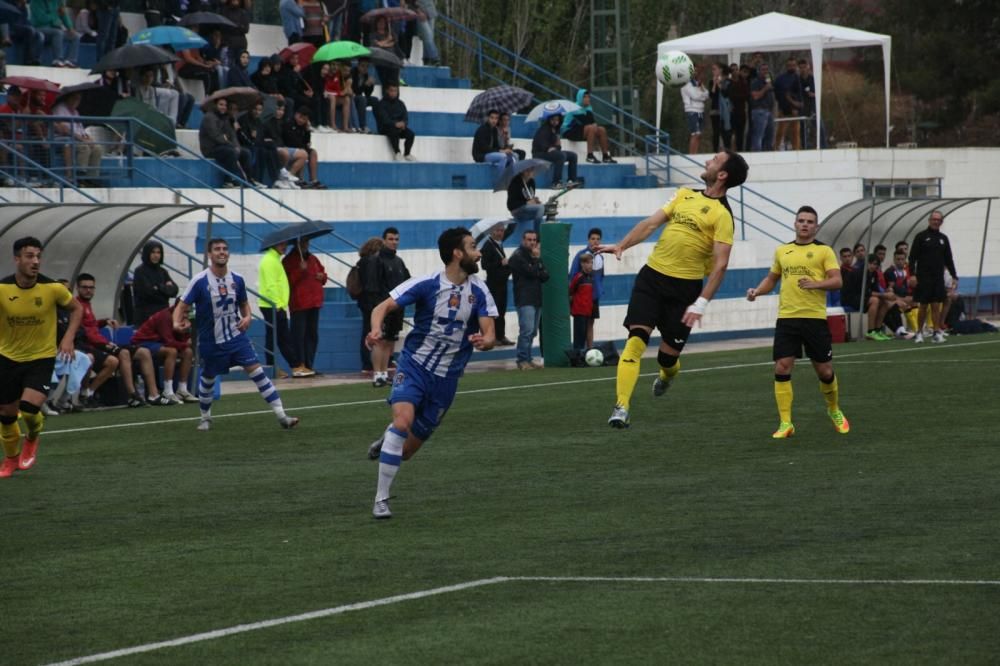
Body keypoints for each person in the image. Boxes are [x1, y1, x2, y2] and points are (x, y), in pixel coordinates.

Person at [597, 150, 749, 429]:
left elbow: (720, 266)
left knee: (667, 359)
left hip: (685, 290)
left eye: (714, 160)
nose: (707, 162)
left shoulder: (723, 216)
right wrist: (622, 245)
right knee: (635, 341)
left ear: (723, 175)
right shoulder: (683, 194)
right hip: (651, 278)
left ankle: (668, 375)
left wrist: (701, 303)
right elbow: (650, 224)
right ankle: (621, 407)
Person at [364, 227, 497, 519]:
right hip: (414, 366)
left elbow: (490, 335)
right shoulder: (426, 283)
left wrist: (484, 342)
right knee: (402, 421)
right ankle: (381, 499)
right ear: (457, 253)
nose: (479, 252)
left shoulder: (479, 290)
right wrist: (375, 329)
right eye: (473, 246)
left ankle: (387, 440)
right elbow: (382, 306)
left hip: (446, 381)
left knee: (407, 451)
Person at [174, 238, 300, 432]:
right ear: (209, 254)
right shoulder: (199, 281)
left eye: (225, 249)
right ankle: (205, 418)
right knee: (208, 379)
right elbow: (182, 305)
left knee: (258, 373)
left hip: (236, 337)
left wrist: (248, 317)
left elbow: (243, 304)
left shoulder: (237, 279)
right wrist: (176, 322)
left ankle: (282, 416)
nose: (221, 252)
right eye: (217, 249)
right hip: (211, 341)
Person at [746, 205, 849, 438]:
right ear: (795, 224)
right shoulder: (783, 251)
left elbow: (837, 281)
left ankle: (834, 409)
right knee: (782, 366)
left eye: (809, 221)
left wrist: (816, 284)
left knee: (824, 371)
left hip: (814, 319)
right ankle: (786, 423)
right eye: (801, 220)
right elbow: (772, 279)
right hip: (787, 318)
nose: (804, 224)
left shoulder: (824, 252)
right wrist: (757, 292)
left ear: (816, 226)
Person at [0, 237, 82, 478]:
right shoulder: (3, 289)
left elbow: (77, 309)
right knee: (5, 414)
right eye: (29, 256)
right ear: (17, 259)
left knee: (27, 409)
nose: (35, 261)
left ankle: (33, 437)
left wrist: (67, 339)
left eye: (38, 256)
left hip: (41, 357)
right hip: (7, 357)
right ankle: (10, 459)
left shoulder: (53, 288)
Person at [75, 272, 163, 407]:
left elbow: (90, 326)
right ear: (78, 288)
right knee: (123, 354)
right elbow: (85, 333)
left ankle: (153, 394)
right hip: (92, 346)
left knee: (144, 352)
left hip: (99, 344)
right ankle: (132, 395)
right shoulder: (77, 306)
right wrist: (107, 345)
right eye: (85, 287)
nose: (88, 290)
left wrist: (104, 322)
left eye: (91, 287)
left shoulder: (87, 305)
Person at [367, 227, 410, 387]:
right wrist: (380, 308)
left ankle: (384, 373)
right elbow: (372, 287)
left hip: (398, 308)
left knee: (390, 341)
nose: (394, 242)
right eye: (391, 239)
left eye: (396, 239)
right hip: (383, 308)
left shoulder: (399, 261)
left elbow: (407, 282)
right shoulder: (376, 260)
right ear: (384, 240)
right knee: (380, 341)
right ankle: (377, 375)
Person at [130, 299, 197, 404]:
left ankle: (182, 390)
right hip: (144, 342)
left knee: (188, 352)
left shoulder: (182, 319)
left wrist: (185, 332)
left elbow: (184, 341)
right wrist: (184, 338)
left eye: (188, 312)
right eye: (183, 311)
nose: (185, 315)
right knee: (172, 351)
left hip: (159, 342)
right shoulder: (165, 316)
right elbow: (169, 341)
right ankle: (168, 391)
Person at [909, 210, 958, 344]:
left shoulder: (944, 238)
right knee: (923, 305)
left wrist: (954, 275)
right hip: (923, 276)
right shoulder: (920, 236)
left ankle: (936, 332)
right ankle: (919, 332)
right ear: (929, 220)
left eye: (938, 220)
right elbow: (912, 257)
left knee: (936, 305)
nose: (936, 221)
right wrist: (912, 274)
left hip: (938, 277)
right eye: (934, 219)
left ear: (941, 222)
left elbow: (949, 259)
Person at [258, 239, 301, 378]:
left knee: (278, 337)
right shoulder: (270, 260)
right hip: (273, 305)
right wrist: (277, 304)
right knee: (281, 337)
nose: (284, 247)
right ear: (273, 244)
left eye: (285, 244)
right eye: (280, 244)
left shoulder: (274, 259)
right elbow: (271, 285)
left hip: (274, 305)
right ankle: (294, 366)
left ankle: (281, 368)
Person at [283, 237, 326, 376]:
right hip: (299, 303)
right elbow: (288, 281)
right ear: (296, 244)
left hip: (314, 302)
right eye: (303, 242)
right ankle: (299, 365)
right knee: (298, 336)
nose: (306, 245)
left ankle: (309, 365)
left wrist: (322, 276)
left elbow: (323, 275)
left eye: (307, 242)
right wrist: (300, 270)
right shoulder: (288, 260)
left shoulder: (313, 258)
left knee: (312, 335)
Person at [509, 229, 548, 370]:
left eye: (534, 240)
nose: (532, 242)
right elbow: (531, 272)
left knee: (532, 331)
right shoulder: (517, 256)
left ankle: (528, 358)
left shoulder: (534, 256)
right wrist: (537, 262)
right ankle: (522, 360)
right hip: (525, 298)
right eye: (529, 240)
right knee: (526, 330)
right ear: (523, 240)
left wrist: (537, 264)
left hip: (536, 298)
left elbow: (545, 276)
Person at [51, 91, 104, 186]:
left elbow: (81, 130)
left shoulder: (75, 112)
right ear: (68, 98)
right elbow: (65, 130)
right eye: (74, 98)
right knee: (84, 147)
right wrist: (83, 139)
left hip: (78, 139)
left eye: (79, 99)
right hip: (64, 139)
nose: (76, 101)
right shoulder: (60, 109)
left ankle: (91, 179)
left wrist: (89, 139)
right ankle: (79, 177)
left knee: (97, 148)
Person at [199, 97, 252, 188]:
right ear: (215, 105)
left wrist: (237, 146)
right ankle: (229, 180)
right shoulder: (209, 117)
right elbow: (216, 136)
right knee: (231, 152)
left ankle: (248, 179)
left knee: (246, 153)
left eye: (225, 105)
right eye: (221, 104)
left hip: (224, 146)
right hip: (211, 148)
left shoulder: (226, 118)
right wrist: (232, 146)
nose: (223, 107)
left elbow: (232, 136)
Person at [842, 254, 894, 341]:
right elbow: (865, 292)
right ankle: (870, 332)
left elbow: (875, 289)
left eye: (875, 264)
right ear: (866, 263)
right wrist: (884, 295)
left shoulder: (874, 274)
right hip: (851, 298)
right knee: (875, 300)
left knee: (885, 302)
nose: (873, 266)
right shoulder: (859, 273)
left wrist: (886, 293)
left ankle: (877, 330)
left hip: (862, 297)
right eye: (871, 264)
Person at [569, 227, 604, 349]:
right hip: (583, 298)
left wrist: (599, 290)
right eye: (593, 238)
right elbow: (573, 274)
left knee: (591, 323)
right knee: (581, 324)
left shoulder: (600, 256)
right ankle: (580, 350)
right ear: (588, 240)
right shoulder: (581, 255)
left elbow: (601, 276)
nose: (595, 241)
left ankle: (590, 349)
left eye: (598, 239)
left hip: (594, 296)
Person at [561, 89, 617, 164]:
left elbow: (592, 121)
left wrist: (594, 126)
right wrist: (593, 125)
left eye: (588, 97)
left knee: (601, 129)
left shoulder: (589, 108)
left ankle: (605, 156)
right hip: (569, 130)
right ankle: (590, 156)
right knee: (591, 128)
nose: (588, 99)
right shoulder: (574, 108)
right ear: (580, 98)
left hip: (580, 129)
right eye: (585, 97)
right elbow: (585, 122)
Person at [480, 222, 514, 346]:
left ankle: (500, 335)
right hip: (494, 284)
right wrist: (501, 263)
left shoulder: (498, 245)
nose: (500, 233)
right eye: (497, 230)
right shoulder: (488, 246)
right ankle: (492, 336)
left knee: (501, 310)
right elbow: (485, 266)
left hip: (502, 283)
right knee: (494, 311)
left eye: (501, 230)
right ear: (491, 232)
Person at [132, 240, 179, 326]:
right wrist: (166, 289)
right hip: (145, 317)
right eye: (153, 252)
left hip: (163, 315)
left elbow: (175, 290)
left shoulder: (163, 272)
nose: (156, 255)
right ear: (147, 253)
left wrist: (158, 287)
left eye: (158, 252)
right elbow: (148, 293)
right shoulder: (140, 271)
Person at [355, 236, 383, 374]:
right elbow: (372, 284)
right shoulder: (372, 261)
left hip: (364, 301)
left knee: (366, 331)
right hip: (371, 302)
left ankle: (367, 363)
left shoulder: (361, 261)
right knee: (372, 332)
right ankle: (369, 363)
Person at [282, 105, 325, 189]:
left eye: (304, 119)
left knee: (313, 152)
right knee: (303, 152)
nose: (301, 120)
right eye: (300, 117)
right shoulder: (288, 124)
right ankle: (293, 177)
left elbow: (307, 142)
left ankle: (313, 180)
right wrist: (304, 146)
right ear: (296, 114)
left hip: (300, 147)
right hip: (288, 147)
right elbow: (291, 140)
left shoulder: (303, 127)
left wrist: (307, 130)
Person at [531, 112, 577, 188]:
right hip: (539, 153)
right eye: (553, 119)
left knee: (573, 156)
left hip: (551, 152)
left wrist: (557, 145)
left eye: (557, 120)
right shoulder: (544, 129)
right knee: (560, 156)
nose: (555, 121)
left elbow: (558, 147)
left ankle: (571, 180)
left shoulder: (557, 130)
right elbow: (540, 144)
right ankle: (556, 182)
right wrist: (549, 148)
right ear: (549, 119)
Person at [31, 0, 81, 67]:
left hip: (54, 29)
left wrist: (70, 28)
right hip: (39, 28)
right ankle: (57, 59)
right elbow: (41, 19)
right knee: (58, 32)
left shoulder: (57, 2)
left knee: (76, 36)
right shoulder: (35, 2)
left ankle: (70, 61)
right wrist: (56, 16)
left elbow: (64, 16)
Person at [472, 109, 515, 182]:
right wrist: (501, 151)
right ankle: (502, 180)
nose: (494, 120)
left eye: (496, 118)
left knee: (512, 157)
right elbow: (484, 148)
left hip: (491, 154)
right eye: (492, 118)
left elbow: (497, 146)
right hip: (481, 156)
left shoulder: (494, 130)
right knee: (503, 157)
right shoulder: (482, 130)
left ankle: (512, 180)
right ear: (488, 118)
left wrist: (505, 141)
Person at [375, 83, 415, 161]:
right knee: (394, 131)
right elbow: (384, 119)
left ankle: (407, 154)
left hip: (399, 127)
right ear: (387, 91)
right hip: (386, 128)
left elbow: (405, 116)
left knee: (411, 134)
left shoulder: (400, 103)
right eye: (391, 91)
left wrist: (404, 123)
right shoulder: (381, 104)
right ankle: (397, 152)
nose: (393, 93)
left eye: (395, 91)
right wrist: (395, 124)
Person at [773, 58, 803, 151]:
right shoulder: (780, 79)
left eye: (793, 65)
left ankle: (796, 150)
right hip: (783, 109)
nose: (792, 67)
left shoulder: (799, 78)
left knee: (796, 132)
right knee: (780, 132)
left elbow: (800, 94)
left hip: (795, 110)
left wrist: (796, 107)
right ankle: (775, 148)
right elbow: (776, 93)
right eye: (790, 65)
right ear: (786, 66)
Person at [506, 166, 545, 235]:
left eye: (531, 170)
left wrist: (535, 201)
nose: (530, 172)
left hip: (527, 211)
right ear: (522, 171)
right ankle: (537, 235)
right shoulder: (515, 182)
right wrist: (526, 203)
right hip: (517, 211)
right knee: (541, 208)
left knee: (547, 209)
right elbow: (511, 204)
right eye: (527, 170)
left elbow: (529, 198)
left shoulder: (531, 182)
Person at [569, 252, 595, 351]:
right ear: (582, 264)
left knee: (584, 334)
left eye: (591, 263)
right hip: (579, 311)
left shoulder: (591, 277)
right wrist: (571, 308)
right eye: (588, 263)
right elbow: (571, 291)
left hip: (587, 311)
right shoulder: (578, 277)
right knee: (578, 334)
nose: (590, 265)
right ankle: (577, 354)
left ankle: (582, 353)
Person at [680, 69, 709, 154]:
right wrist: (701, 95)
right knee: (695, 133)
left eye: (697, 71)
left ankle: (695, 153)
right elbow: (695, 96)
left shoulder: (698, 84)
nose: (696, 73)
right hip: (692, 111)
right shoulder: (686, 84)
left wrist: (701, 92)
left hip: (700, 110)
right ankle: (692, 155)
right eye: (694, 71)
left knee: (699, 134)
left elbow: (707, 94)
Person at [749, 62, 775, 152]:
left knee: (769, 135)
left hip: (769, 111)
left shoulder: (768, 81)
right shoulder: (755, 82)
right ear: (759, 71)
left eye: (767, 70)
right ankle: (757, 152)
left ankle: (767, 152)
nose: (765, 72)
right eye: (763, 70)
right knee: (759, 135)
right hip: (759, 111)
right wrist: (765, 89)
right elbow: (755, 96)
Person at [708, 62, 732, 153]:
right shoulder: (711, 81)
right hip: (715, 110)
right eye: (712, 69)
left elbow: (727, 94)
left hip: (726, 111)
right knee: (716, 132)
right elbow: (712, 95)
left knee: (726, 132)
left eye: (715, 69)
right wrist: (714, 84)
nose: (713, 71)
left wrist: (719, 85)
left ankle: (727, 151)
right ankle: (715, 151)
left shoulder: (727, 82)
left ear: (720, 70)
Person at [728, 64, 750, 151]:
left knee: (740, 134)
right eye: (733, 70)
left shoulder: (743, 82)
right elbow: (731, 96)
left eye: (736, 69)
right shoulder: (729, 83)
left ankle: (740, 151)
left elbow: (747, 95)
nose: (735, 71)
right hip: (732, 112)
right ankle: (731, 151)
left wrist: (740, 97)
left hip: (741, 112)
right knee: (731, 134)